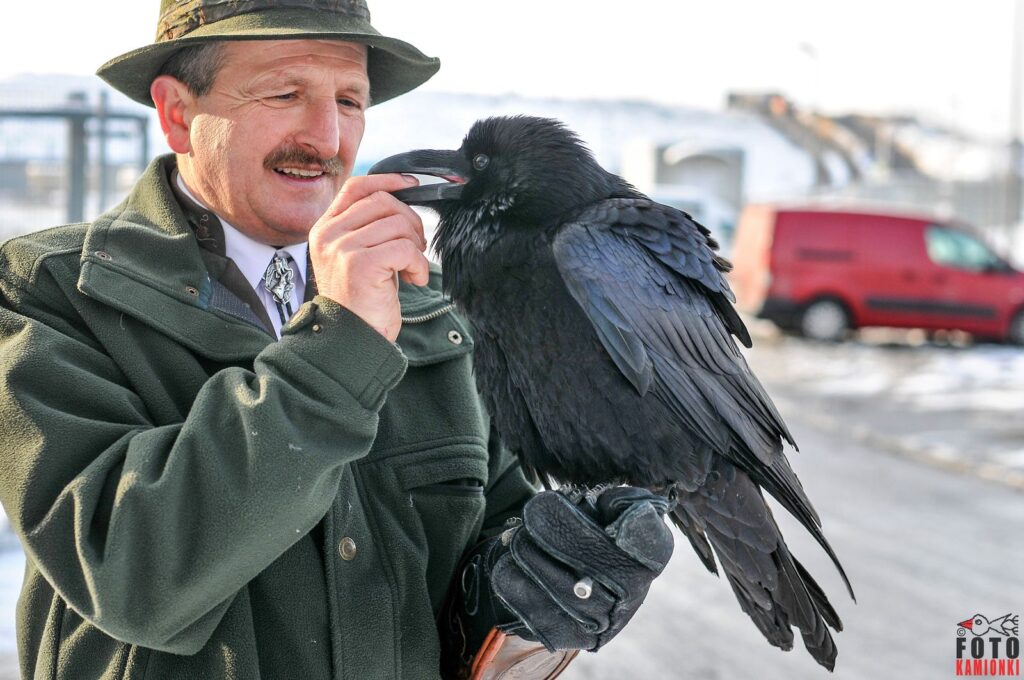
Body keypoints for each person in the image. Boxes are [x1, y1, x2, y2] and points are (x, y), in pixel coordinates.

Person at [0, 2, 673, 678]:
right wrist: (343, 340)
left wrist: (540, 588)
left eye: (350, 100)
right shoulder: (52, 292)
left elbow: (484, 549)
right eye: (285, 93)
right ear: (179, 113)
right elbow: (131, 577)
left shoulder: (439, 308)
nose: (326, 137)